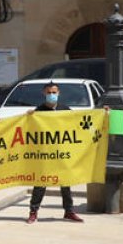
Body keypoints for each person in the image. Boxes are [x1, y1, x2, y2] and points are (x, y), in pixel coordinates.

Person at [28, 82, 85, 224]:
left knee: (66, 183)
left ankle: (69, 211)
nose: (51, 95)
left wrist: (104, 113)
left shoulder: (65, 110)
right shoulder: (39, 111)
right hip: (45, 155)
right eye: (49, 92)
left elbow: (79, 124)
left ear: (59, 93)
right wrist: (28, 116)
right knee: (40, 184)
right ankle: (33, 212)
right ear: (44, 93)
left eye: (54, 92)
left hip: (61, 154)